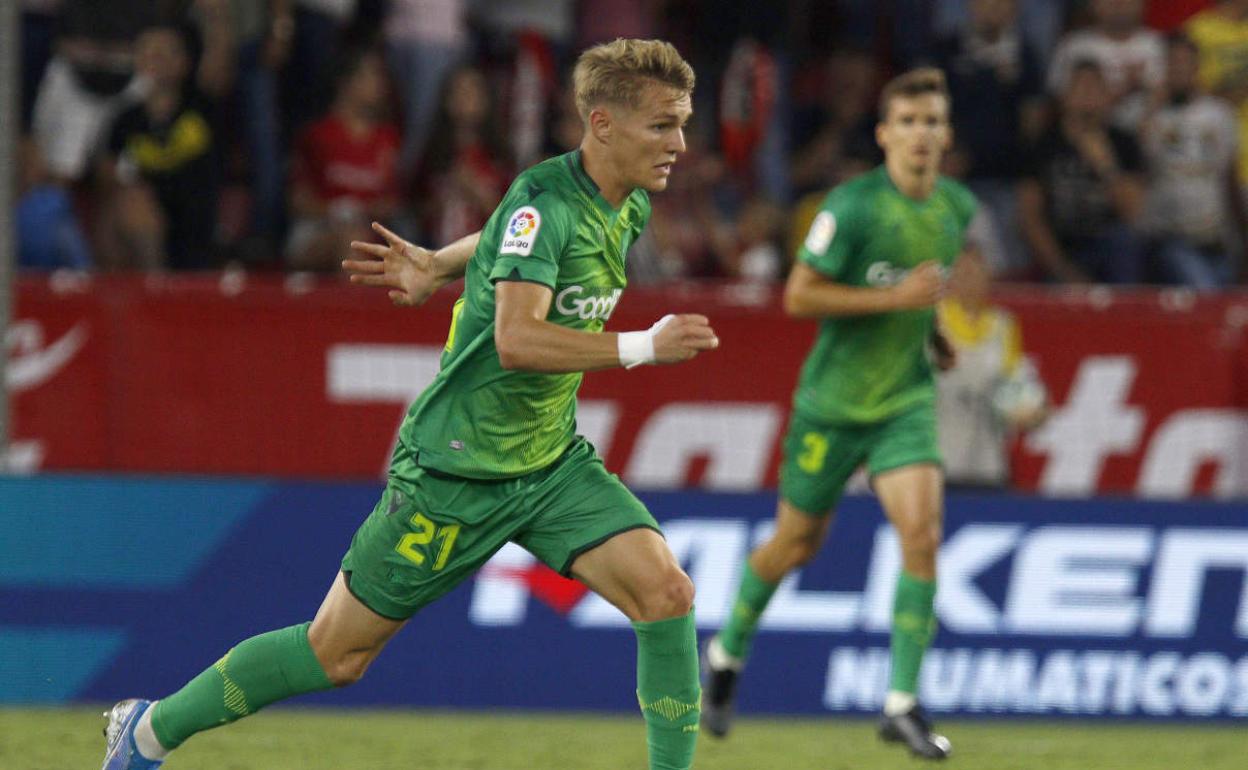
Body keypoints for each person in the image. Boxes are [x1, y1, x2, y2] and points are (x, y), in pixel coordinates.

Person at [100, 38, 716, 770]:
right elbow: (518, 339)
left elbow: (505, 243)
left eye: (682, 123)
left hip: (548, 466)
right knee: (336, 654)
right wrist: (642, 346)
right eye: (661, 125)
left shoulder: (626, 205)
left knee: (666, 594)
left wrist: (438, 261)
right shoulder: (544, 201)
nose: (679, 142)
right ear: (603, 123)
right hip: (455, 472)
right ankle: (147, 731)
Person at [700, 68, 975, 761]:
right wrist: (898, 301)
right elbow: (798, 295)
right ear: (885, 134)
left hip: (904, 402)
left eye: (931, 122)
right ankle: (727, 655)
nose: (920, 135)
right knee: (795, 545)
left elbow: (921, 293)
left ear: (946, 135)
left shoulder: (956, 210)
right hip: (831, 406)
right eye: (907, 122)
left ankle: (901, 704)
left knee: (922, 532)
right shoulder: (850, 207)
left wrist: (933, 335)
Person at [1018, 59, 1147, 283]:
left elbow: (1134, 213)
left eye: (1095, 87)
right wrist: (1063, 271)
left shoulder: (1123, 142)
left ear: (1107, 97)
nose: (1088, 95)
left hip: (1108, 247)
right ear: (1065, 97)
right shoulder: (1044, 144)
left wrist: (1106, 167)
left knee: (1123, 241)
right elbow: (1030, 217)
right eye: (1080, 87)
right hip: (1061, 249)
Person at [1141, 32, 1247, 288]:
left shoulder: (1219, 114)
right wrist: (1150, 112)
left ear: (1197, 67)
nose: (1178, 69)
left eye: (1184, 62)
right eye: (1172, 63)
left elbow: (1228, 179)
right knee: (1205, 293)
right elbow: (1139, 171)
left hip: (1216, 238)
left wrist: (1242, 238)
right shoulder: (1149, 117)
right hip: (1171, 238)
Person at [936, 249, 1047, 489]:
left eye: (976, 272)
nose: (969, 280)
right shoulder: (932, 322)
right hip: (938, 465)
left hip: (988, 466)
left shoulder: (1002, 326)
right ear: (948, 279)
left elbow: (1016, 383)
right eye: (961, 272)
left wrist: (1032, 410)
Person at [286, 45, 402, 271]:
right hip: (318, 229)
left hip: (372, 231)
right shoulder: (317, 135)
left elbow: (392, 202)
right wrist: (337, 209)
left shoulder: (386, 139)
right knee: (351, 243)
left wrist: (364, 211)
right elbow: (297, 201)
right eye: (371, 75)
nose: (381, 85)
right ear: (346, 82)